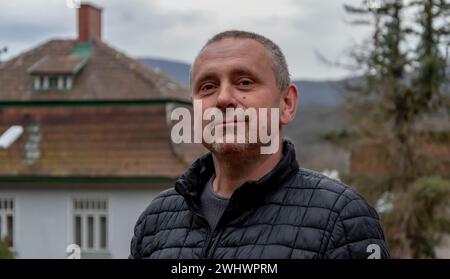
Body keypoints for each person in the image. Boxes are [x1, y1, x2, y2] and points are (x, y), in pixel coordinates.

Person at [129, 30, 390, 259]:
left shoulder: (342, 219)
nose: (223, 99)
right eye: (208, 87)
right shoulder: (156, 220)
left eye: (244, 82)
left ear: (286, 103)